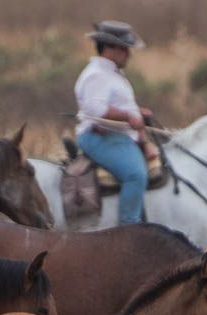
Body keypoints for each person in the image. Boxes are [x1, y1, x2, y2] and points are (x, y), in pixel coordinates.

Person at [75, 20, 150, 225]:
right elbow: (96, 109)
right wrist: (128, 117)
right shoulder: (97, 75)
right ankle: (129, 227)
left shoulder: (111, 73)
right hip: (97, 137)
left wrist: (137, 112)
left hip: (115, 136)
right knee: (136, 174)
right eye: (125, 48)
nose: (129, 53)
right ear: (109, 49)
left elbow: (115, 104)